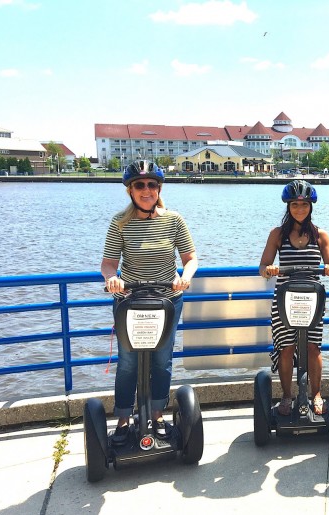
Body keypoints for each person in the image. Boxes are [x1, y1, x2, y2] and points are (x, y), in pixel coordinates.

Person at [101, 160, 198, 443]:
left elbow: (190, 259)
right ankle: (122, 419)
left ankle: (157, 415)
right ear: (130, 190)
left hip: (167, 300)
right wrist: (112, 279)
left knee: (162, 360)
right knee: (128, 362)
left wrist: (185, 276)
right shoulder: (120, 222)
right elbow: (108, 264)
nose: (146, 190)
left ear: (159, 188)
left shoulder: (174, 220)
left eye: (151, 185)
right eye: (139, 185)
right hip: (129, 300)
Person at [259, 180, 329, 416]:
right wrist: (269, 269)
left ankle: (315, 394)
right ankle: (286, 396)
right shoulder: (278, 234)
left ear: (310, 206)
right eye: (295, 205)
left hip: (312, 301)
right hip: (284, 301)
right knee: (286, 348)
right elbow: (263, 265)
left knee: (314, 348)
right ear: (288, 206)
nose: (299, 209)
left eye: (303, 205)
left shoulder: (320, 235)